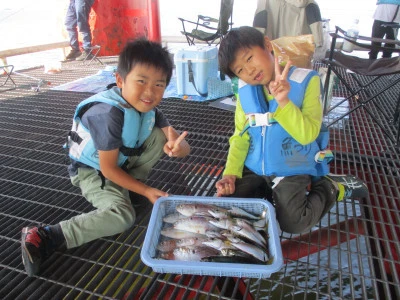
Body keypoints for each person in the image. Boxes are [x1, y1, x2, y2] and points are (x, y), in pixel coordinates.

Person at [21, 38, 191, 277]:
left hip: (119, 164)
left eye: (159, 85)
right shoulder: (108, 114)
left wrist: (178, 146)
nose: (150, 92)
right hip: (93, 172)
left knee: (159, 138)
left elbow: (177, 141)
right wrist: (146, 190)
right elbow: (108, 169)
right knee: (123, 216)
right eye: (141, 81)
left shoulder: (149, 109)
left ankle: (128, 190)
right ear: (120, 80)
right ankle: (48, 235)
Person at [215, 26, 368, 234]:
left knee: (293, 223)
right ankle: (264, 192)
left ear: (267, 45)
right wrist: (231, 174)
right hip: (255, 167)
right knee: (224, 204)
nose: (249, 71)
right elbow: (239, 137)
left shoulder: (307, 80)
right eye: (240, 70)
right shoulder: (245, 92)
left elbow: (308, 135)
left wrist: (284, 102)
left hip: (291, 165)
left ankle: (331, 188)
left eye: (249, 58)